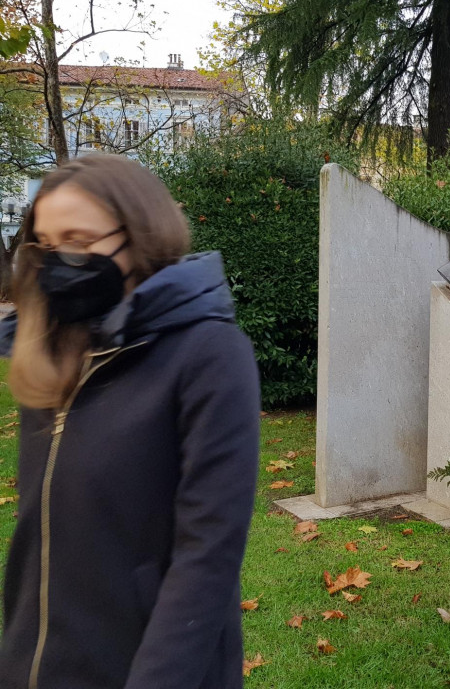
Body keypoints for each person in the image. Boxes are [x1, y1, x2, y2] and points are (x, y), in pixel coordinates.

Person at [0, 154, 260, 689]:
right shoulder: (51, 358)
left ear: (139, 236)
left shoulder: (210, 355)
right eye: (44, 244)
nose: (56, 261)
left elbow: (207, 556)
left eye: (76, 239)